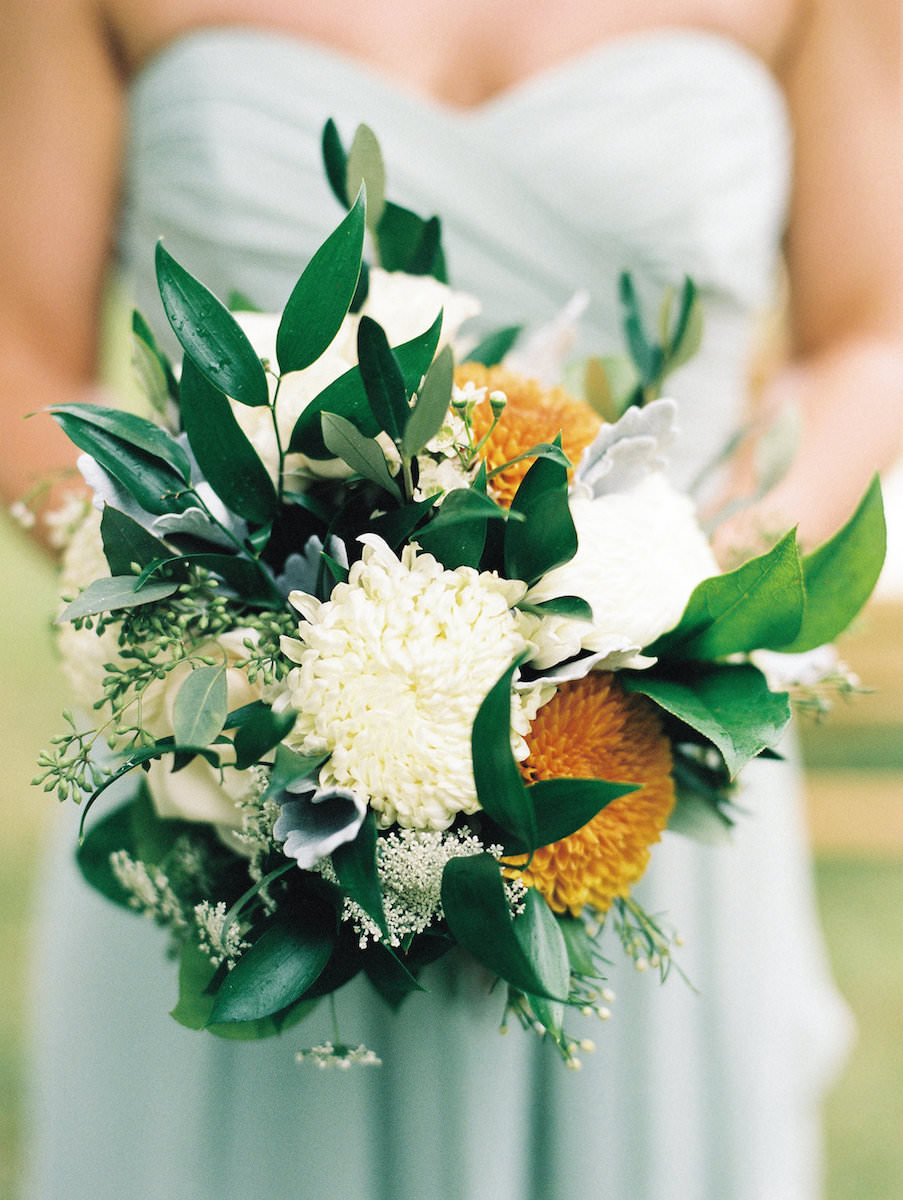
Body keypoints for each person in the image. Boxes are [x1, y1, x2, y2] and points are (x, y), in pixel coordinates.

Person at [2, 1, 901, 1197]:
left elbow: (873, 332)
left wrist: (683, 596)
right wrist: (224, 625)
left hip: (633, 773)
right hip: (237, 799)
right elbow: (18, 347)